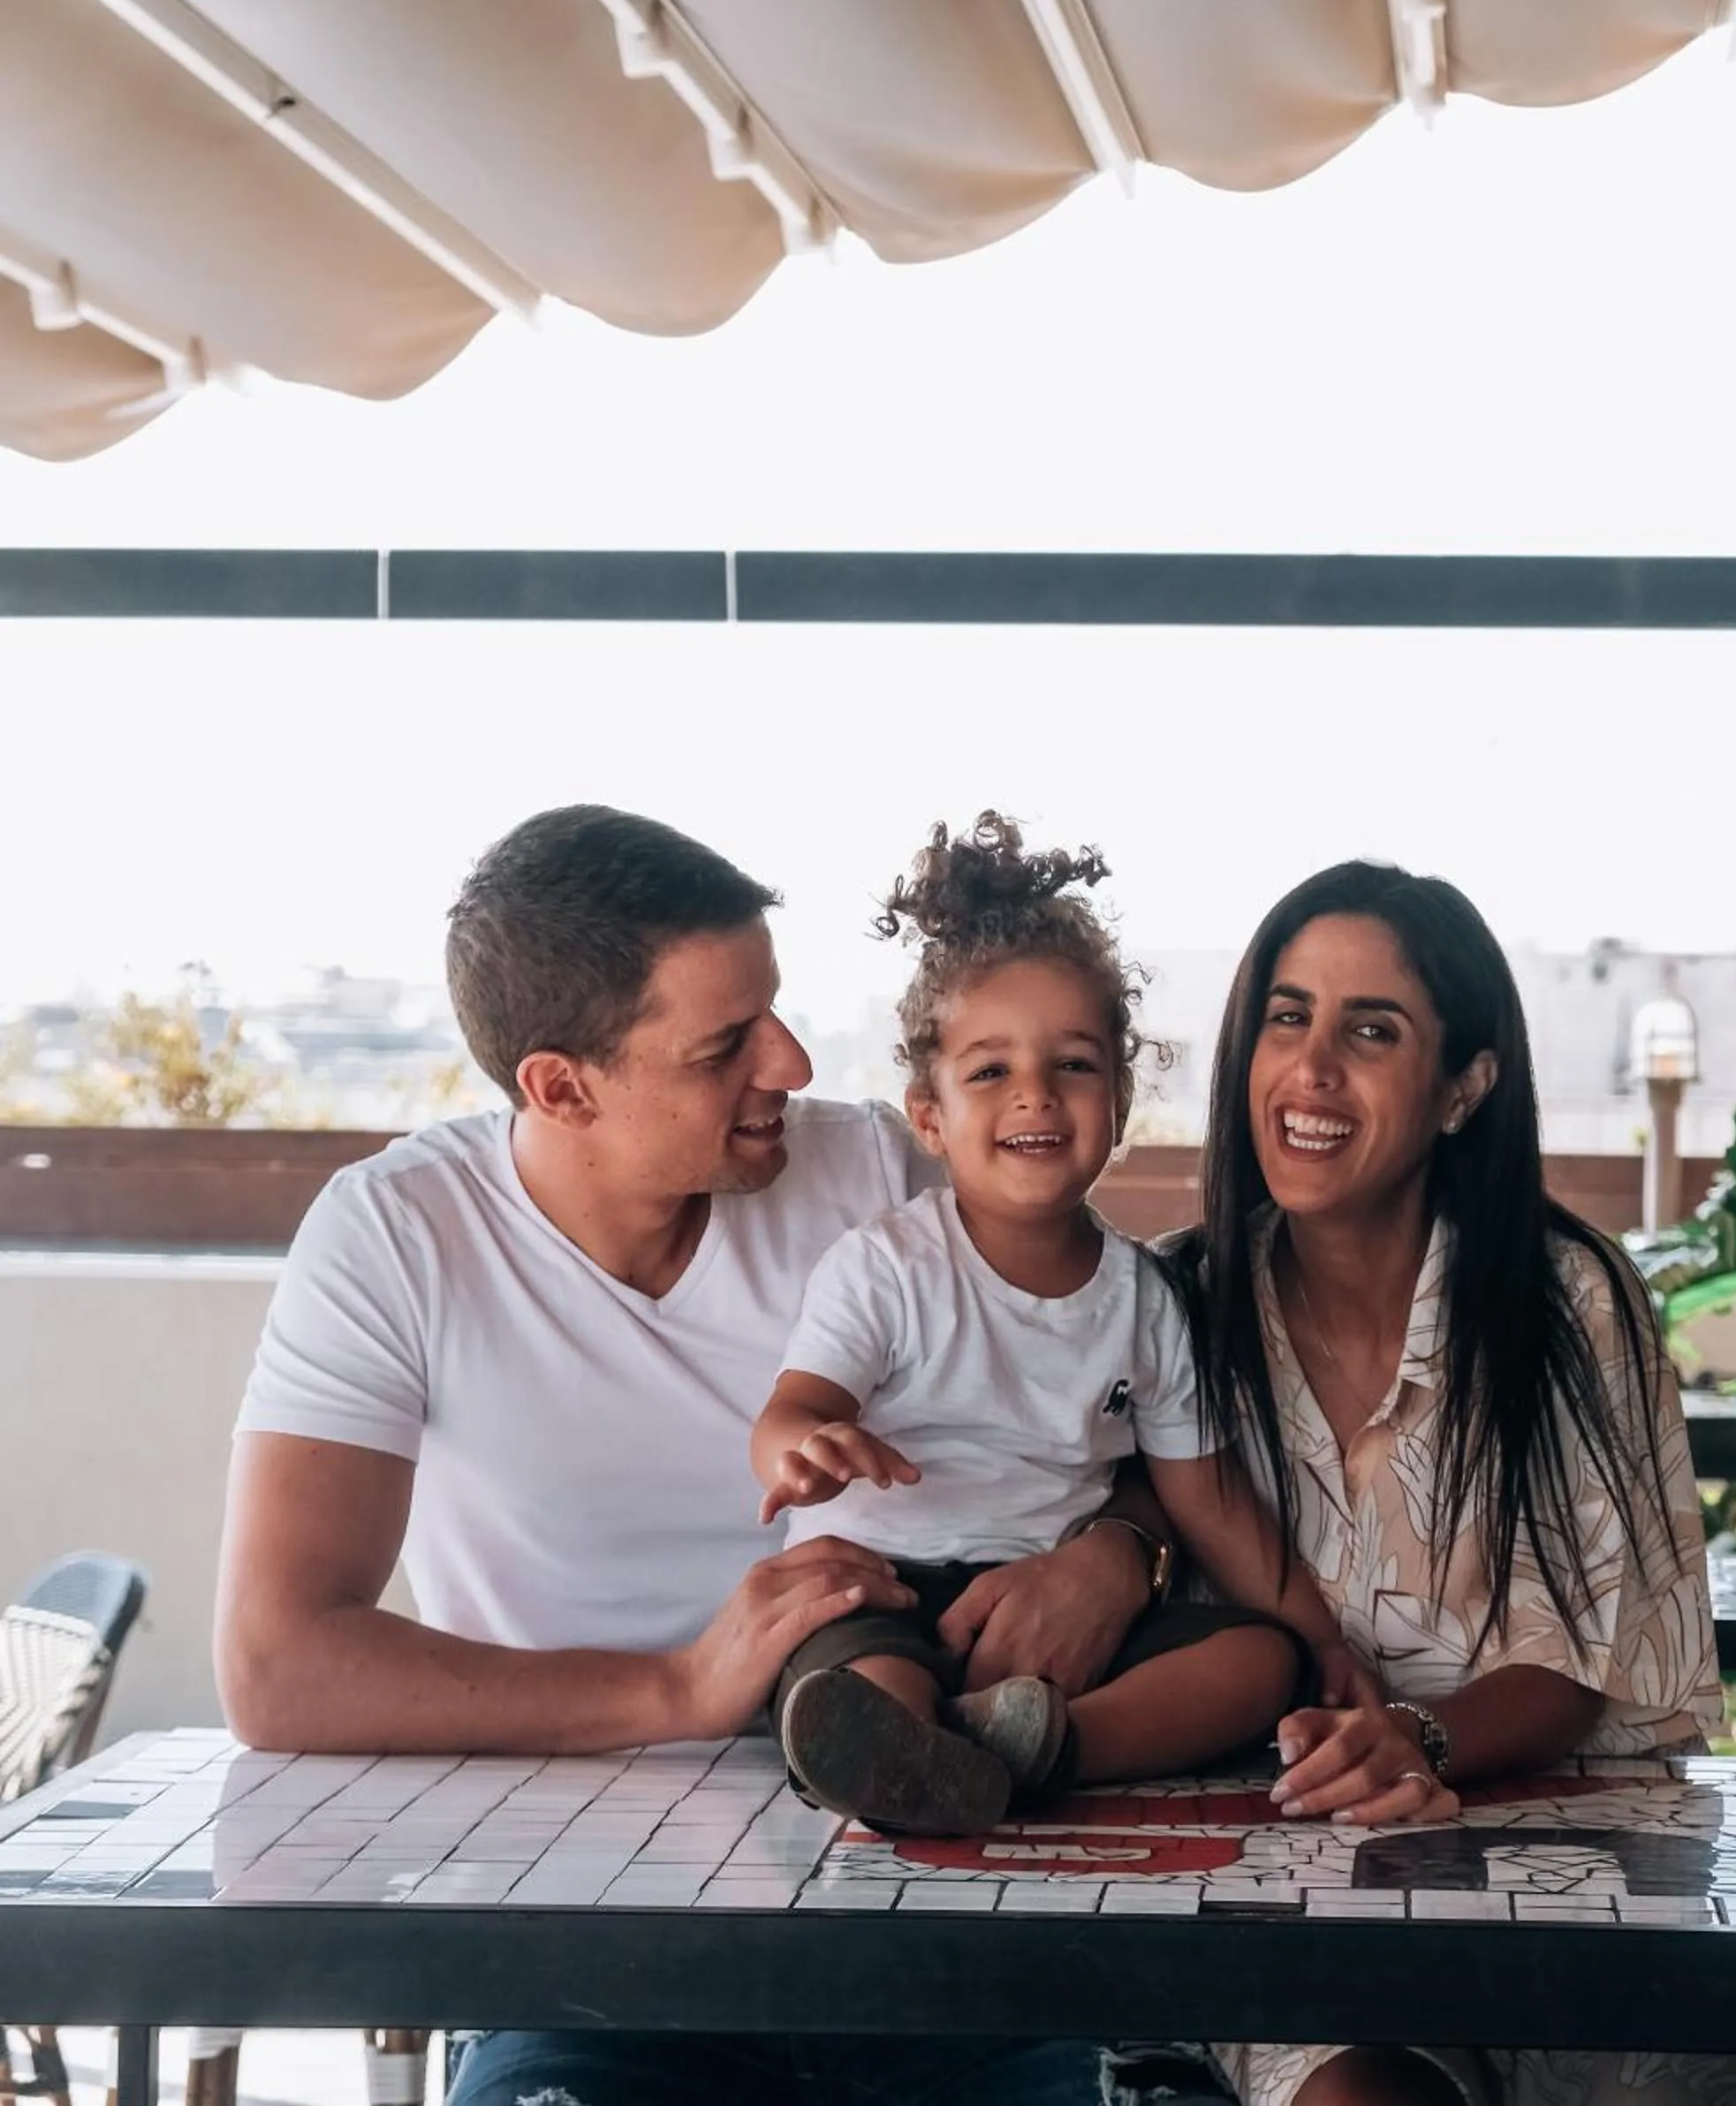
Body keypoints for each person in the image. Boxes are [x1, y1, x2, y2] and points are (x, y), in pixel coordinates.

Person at [218, 804, 1175, 2106]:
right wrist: (678, 1690)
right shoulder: (395, 1238)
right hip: (582, 1942)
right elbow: (281, 1665)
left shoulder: (871, 1180)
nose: (787, 1063)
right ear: (562, 1086)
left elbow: (1116, 1386)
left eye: (774, 1013)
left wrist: (1117, 1554)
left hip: (918, 1886)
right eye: (728, 1045)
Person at [1157, 860, 1736, 2106]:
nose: (1312, 1069)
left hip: (1581, 1847)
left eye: (1372, 1031)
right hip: (1296, 1865)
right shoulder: (1180, 1300)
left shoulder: (1567, 1301)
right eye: (1287, 1015)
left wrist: (1415, 1738)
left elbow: (1578, 1663)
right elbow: (1105, 1523)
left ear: (1464, 1087)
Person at [754, 814, 1362, 1836]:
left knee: (1256, 1661)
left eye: (1073, 1064)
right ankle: (903, 1749)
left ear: (1120, 1099)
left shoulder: (1143, 1300)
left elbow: (1209, 1502)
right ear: (930, 1115)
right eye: (989, 1071)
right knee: (848, 1677)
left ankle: (1040, 1750)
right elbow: (794, 1407)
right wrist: (806, 1449)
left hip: (1061, 1625)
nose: (1033, 1090)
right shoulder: (885, 1268)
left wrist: (1322, 1636)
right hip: (883, 1592)